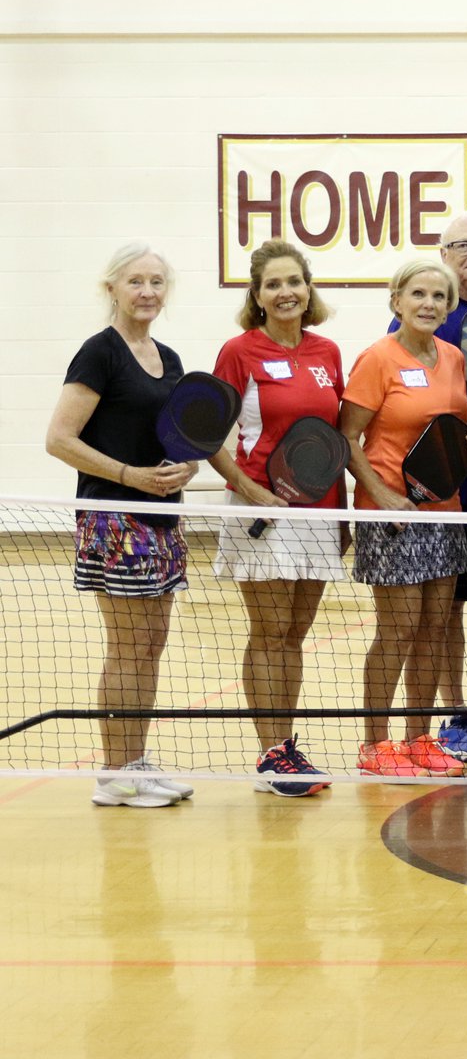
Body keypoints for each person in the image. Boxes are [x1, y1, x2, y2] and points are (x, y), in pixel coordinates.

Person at [46, 243, 201, 808]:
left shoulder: (171, 358)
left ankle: (134, 762)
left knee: (152, 645)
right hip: (115, 520)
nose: (148, 292)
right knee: (129, 645)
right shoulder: (99, 354)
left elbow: (180, 440)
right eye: (136, 281)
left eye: (157, 282)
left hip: (162, 519)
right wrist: (129, 477)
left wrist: (186, 463)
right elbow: (59, 439)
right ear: (111, 287)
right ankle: (114, 774)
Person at [340, 259, 467, 781]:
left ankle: (420, 737)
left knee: (433, 629)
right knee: (397, 631)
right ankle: (375, 743)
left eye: (438, 297)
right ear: (397, 299)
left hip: (444, 513)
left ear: (449, 306)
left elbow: (454, 432)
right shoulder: (377, 359)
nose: (429, 304)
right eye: (418, 294)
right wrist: (381, 496)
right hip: (392, 516)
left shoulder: (451, 358)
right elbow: (347, 437)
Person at [208, 238, 342, 796]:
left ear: (307, 288)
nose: (286, 292)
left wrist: (346, 514)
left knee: (294, 634)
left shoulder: (328, 352)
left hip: (320, 514)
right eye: (273, 284)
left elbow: (336, 438)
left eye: (294, 281)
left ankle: (286, 748)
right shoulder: (240, 352)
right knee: (269, 632)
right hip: (261, 512)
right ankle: (270, 755)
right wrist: (246, 489)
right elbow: (207, 434)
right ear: (258, 296)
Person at [385, 211, 467, 765]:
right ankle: (456, 715)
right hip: (449, 491)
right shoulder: (421, 319)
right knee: (447, 609)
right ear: (443, 253)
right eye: (463, 244)